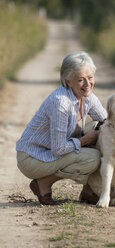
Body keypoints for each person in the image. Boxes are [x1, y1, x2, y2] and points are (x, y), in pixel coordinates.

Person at [16, 51, 107, 205]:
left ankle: (90, 191)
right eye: (80, 80)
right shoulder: (60, 103)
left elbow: (106, 120)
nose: (87, 84)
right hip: (32, 157)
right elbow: (58, 149)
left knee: (101, 128)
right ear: (68, 81)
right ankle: (43, 183)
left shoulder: (87, 96)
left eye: (90, 78)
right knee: (93, 158)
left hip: (51, 151)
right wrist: (86, 140)